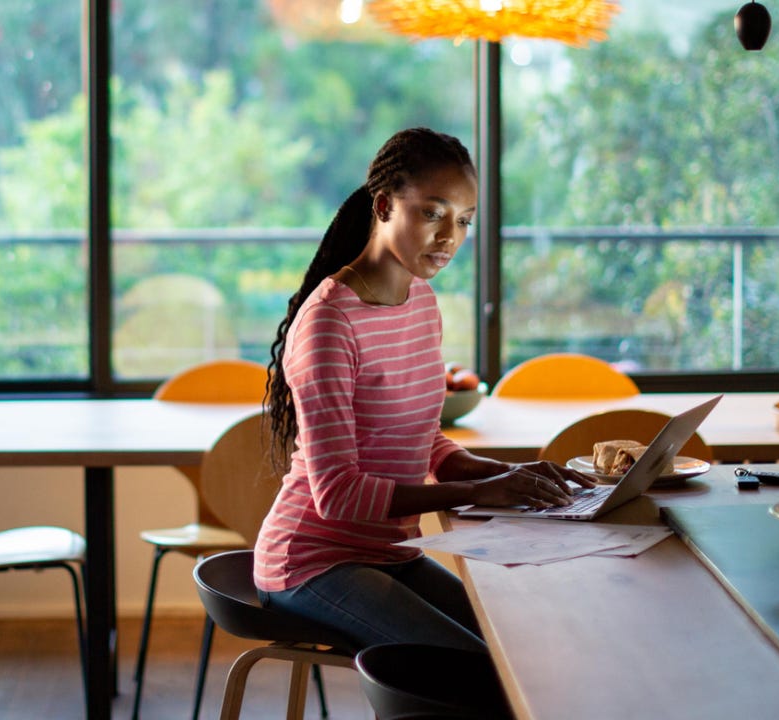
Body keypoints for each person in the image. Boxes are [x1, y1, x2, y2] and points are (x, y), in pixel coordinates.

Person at [255, 127, 595, 652]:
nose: (450, 238)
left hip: (391, 553)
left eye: (463, 221)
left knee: (522, 649)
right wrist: (476, 493)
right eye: (433, 213)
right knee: (484, 672)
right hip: (312, 562)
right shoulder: (328, 321)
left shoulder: (421, 302)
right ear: (385, 205)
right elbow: (337, 494)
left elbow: (419, 438)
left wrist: (505, 475)